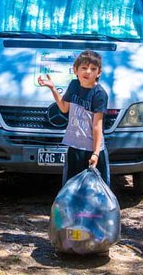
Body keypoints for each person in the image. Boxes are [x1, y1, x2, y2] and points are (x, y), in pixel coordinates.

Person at [38, 50, 110, 186]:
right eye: (84, 67)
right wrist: (53, 88)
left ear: (98, 73)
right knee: (72, 188)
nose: (88, 72)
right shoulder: (74, 85)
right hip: (75, 147)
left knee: (95, 189)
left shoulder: (99, 94)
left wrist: (95, 154)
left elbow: (97, 125)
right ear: (75, 70)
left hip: (92, 150)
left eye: (93, 69)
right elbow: (64, 108)